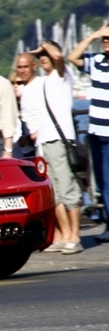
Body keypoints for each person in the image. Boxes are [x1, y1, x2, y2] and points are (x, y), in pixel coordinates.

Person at [28, 40, 83, 254]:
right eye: (40, 55)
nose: (42, 57)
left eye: (45, 54)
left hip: (60, 139)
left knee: (68, 188)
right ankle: (64, 235)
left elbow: (60, 57)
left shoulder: (63, 75)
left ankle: (75, 236)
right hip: (45, 141)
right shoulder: (44, 81)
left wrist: (43, 45)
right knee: (55, 193)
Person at [68, 24, 109, 243]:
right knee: (103, 182)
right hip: (96, 131)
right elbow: (72, 57)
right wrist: (93, 35)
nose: (105, 41)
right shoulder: (97, 62)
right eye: (104, 38)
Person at [13, 55, 38, 158]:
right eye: (19, 67)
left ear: (34, 66)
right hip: (27, 146)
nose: (22, 71)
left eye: (25, 67)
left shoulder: (41, 85)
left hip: (40, 141)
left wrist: (34, 135)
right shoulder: (22, 89)